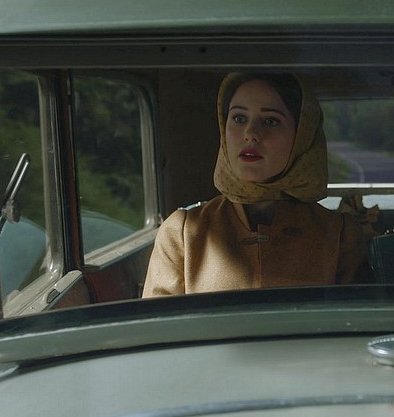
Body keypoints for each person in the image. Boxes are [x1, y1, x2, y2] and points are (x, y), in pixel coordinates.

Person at [142, 73, 369, 297]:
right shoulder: (182, 234)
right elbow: (156, 320)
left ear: (302, 136)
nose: (251, 133)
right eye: (239, 118)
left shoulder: (339, 234)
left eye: (271, 121)